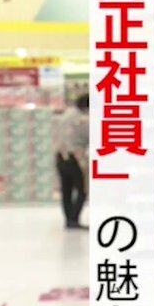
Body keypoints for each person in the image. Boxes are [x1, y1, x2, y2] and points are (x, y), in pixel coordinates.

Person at [53, 94, 90, 229]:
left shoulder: (65, 116)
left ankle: (69, 219)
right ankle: (74, 219)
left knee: (66, 190)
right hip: (75, 157)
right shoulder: (84, 120)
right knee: (82, 189)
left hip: (60, 155)